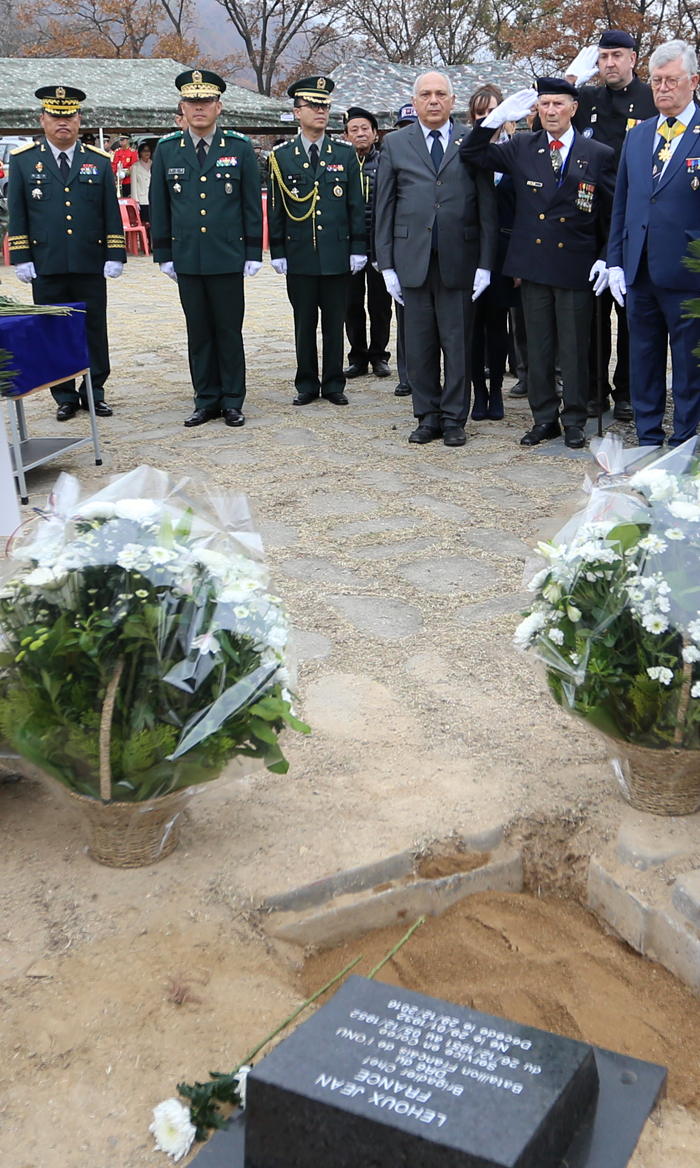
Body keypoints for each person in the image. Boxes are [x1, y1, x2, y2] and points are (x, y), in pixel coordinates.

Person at [461, 77, 616, 449]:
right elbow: (472, 153)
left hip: (577, 266)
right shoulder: (522, 146)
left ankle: (575, 419)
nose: (550, 111)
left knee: (575, 348)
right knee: (540, 348)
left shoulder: (597, 153)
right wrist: (494, 119)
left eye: (558, 104)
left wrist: (607, 258)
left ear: (573, 108)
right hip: (533, 264)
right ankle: (544, 418)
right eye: (544, 104)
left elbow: (610, 214)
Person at [374, 72, 497, 447]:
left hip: (460, 257)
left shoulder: (470, 141)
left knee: (457, 342)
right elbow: (385, 205)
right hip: (412, 258)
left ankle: (454, 418)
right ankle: (427, 415)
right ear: (415, 100)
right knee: (420, 343)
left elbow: (487, 205)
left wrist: (486, 263)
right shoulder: (395, 143)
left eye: (440, 94)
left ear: (452, 99)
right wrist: (386, 264)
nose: (433, 101)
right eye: (425, 94)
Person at [150, 68, 263, 428]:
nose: (199, 108)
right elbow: (161, 205)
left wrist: (252, 252)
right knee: (198, 331)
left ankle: (232, 400)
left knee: (228, 331)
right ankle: (205, 399)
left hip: (227, 255)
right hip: (188, 257)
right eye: (192, 102)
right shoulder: (167, 150)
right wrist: (163, 253)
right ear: (182, 108)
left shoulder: (239, 147)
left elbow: (250, 205)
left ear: (219, 106)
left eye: (206, 101)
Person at [8, 85, 125, 421]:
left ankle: (94, 391)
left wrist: (115, 253)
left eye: (69, 116)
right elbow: (18, 212)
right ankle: (64, 396)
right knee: (53, 329)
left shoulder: (98, 161)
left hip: (89, 260)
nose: (63, 122)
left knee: (93, 328)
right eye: (55, 116)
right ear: (42, 119)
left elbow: (109, 211)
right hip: (46, 261)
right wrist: (21, 256)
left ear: (79, 119)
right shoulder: (24, 160)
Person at [607, 40, 700, 447]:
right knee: (642, 359)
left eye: (671, 81)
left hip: (688, 272)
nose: (662, 89)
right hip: (640, 268)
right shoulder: (640, 135)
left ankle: (685, 440)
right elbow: (622, 204)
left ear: (693, 82)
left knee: (688, 363)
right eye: (656, 81)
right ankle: (647, 438)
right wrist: (614, 261)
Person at [564, 30, 657, 422]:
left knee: (632, 313)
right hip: (591, 220)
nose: (609, 64)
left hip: (636, 220)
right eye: (603, 57)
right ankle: (593, 390)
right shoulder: (586, 99)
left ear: (634, 58)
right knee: (591, 315)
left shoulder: (653, 98)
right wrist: (572, 78)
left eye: (617, 56)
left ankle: (627, 392)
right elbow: (547, 113)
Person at [267, 75, 366, 406]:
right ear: (297, 112)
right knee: (304, 322)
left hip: (337, 252)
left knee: (335, 322)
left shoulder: (344, 153)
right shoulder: (281, 156)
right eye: (313, 106)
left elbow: (355, 206)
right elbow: (277, 208)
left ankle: (334, 383)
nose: (320, 111)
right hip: (300, 253)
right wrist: (277, 250)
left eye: (325, 106)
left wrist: (357, 248)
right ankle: (307, 383)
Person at [468, 85, 520, 421]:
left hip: (504, 250)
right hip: (470, 251)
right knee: (472, 328)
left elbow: (526, 211)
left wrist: (518, 260)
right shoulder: (466, 152)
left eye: (494, 112)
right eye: (481, 113)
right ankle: (478, 394)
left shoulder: (516, 152)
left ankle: (497, 390)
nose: (488, 118)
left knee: (498, 326)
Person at [343, 106, 392, 380]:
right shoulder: (341, 163)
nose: (360, 134)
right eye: (355, 130)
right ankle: (357, 355)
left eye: (365, 129)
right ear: (347, 135)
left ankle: (379, 355)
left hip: (378, 246)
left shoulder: (387, 162)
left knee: (380, 304)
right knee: (351, 304)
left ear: (375, 133)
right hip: (349, 248)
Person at [389, 102, 418, 398]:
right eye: (404, 128)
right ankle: (406, 375)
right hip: (404, 249)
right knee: (406, 319)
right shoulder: (393, 155)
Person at [130, 141, 152, 230]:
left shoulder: (155, 164)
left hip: (153, 198)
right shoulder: (135, 166)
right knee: (144, 223)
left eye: (148, 151)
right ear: (140, 153)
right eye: (144, 151)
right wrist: (135, 201)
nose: (146, 153)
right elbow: (134, 185)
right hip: (142, 198)